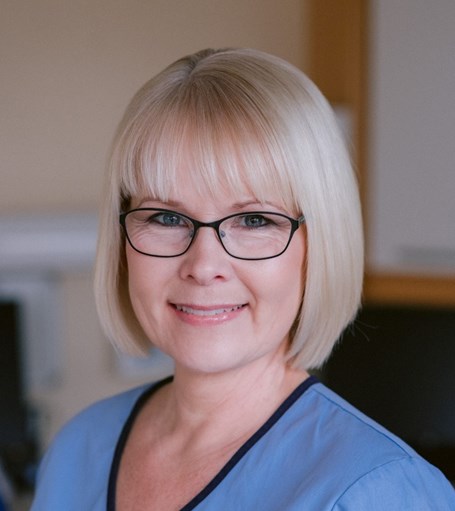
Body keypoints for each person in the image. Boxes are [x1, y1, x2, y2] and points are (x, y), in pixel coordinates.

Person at [31, 48, 455, 510]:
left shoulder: (378, 492)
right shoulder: (78, 448)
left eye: (254, 220)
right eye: (166, 217)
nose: (203, 265)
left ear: (319, 246)